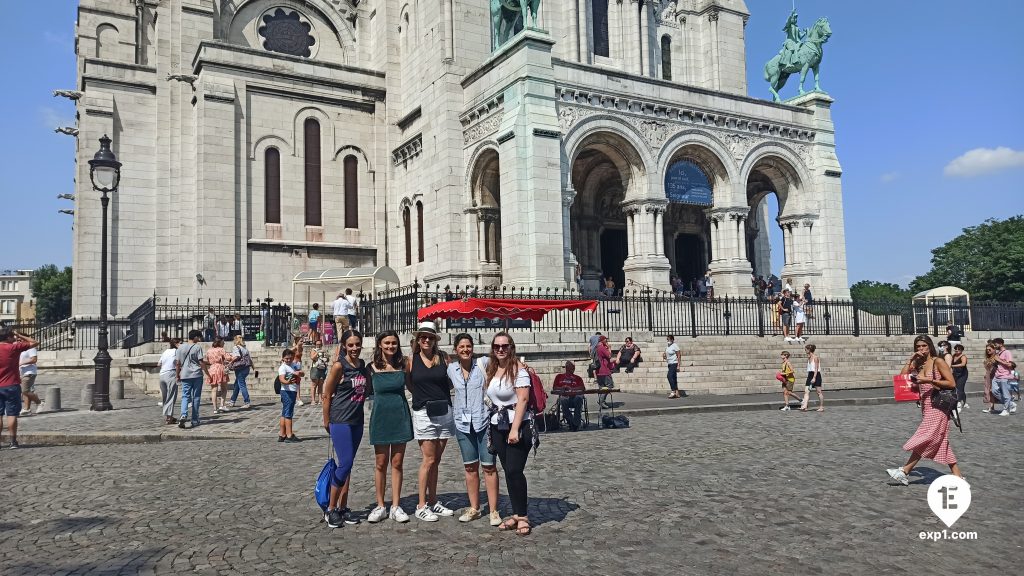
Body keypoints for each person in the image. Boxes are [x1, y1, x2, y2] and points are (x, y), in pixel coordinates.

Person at [887, 335, 963, 485]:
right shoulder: (919, 364)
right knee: (941, 441)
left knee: (926, 437)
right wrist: (911, 360)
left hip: (939, 406)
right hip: (926, 406)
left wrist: (928, 380)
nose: (921, 349)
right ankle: (958, 477)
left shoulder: (938, 361)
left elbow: (951, 383)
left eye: (923, 346)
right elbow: (902, 377)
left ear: (929, 346)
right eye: (918, 347)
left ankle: (904, 471)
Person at [483, 332, 535, 535]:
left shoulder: (519, 370)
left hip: (518, 426)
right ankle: (515, 513)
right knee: (508, 471)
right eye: (497, 346)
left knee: (514, 470)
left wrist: (515, 429)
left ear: (511, 347)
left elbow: (522, 399)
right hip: (498, 425)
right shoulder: (492, 368)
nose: (501, 349)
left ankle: (522, 516)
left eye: (505, 346)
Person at [448, 333, 503, 525]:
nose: (465, 350)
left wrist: (523, 367)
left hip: (484, 421)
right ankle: (475, 508)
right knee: (470, 467)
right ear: (455, 350)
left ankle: (494, 510)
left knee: (489, 466)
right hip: (463, 425)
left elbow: (505, 362)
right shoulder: (451, 369)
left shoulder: (484, 363)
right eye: (461, 347)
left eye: (468, 346)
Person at [407, 321, 456, 521]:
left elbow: (452, 382)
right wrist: (422, 396)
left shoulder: (444, 358)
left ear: (435, 340)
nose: (426, 340)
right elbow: (409, 384)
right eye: (423, 337)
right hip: (423, 412)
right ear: (418, 340)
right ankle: (421, 505)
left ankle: (434, 501)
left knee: (436, 460)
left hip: (443, 410)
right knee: (428, 460)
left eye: (430, 337)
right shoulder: (411, 360)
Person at [322, 329, 370, 528]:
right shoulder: (338, 366)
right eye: (350, 345)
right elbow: (326, 394)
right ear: (344, 346)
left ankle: (343, 506)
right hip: (340, 419)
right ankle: (330, 509)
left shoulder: (362, 366)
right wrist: (327, 421)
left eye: (357, 344)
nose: (354, 348)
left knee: (347, 465)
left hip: (356, 419)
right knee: (345, 463)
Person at [365, 330, 414, 523]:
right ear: (379, 345)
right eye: (386, 343)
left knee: (397, 463)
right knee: (380, 463)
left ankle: (395, 505)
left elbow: (413, 387)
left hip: (400, 416)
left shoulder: (404, 365)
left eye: (393, 343)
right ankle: (380, 505)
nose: (390, 346)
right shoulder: (371, 368)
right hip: (380, 417)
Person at [1, 328, 39, 449]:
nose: (14, 338)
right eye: (12, 336)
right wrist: (20, 335)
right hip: (11, 385)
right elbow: (34, 342)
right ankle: (13, 441)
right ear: (8, 338)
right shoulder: (13, 348)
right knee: (12, 414)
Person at [176, 330, 206, 429]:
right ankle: (194, 419)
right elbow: (201, 362)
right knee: (196, 397)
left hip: (185, 374)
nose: (199, 339)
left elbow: (178, 363)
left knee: (185, 396)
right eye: (199, 337)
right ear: (195, 337)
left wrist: (177, 375)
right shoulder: (197, 347)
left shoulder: (180, 347)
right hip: (197, 374)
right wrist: (207, 373)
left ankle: (183, 414)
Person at [278, 345, 304, 442]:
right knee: (288, 413)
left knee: (284, 413)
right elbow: (282, 379)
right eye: (286, 359)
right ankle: (289, 435)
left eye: (290, 358)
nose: (288, 360)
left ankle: (282, 434)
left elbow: (302, 372)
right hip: (287, 391)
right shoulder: (283, 367)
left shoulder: (293, 365)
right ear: (283, 359)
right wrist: (288, 382)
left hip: (292, 390)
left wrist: (299, 373)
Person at [552, 361, 586, 430]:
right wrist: (562, 388)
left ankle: (576, 424)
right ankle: (571, 422)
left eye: (573, 368)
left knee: (579, 398)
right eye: (571, 367)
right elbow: (554, 388)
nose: (573, 369)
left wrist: (572, 389)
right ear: (566, 368)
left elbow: (582, 388)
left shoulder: (578, 378)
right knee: (562, 399)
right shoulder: (559, 377)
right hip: (565, 396)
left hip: (575, 397)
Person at [991, 338, 1016, 416]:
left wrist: (999, 360)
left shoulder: (1007, 352)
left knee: (1005, 394)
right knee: (994, 391)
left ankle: (1006, 410)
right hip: (997, 376)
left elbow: (1010, 365)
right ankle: (1011, 404)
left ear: (1001, 344)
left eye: (995, 344)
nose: (994, 346)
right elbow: (998, 364)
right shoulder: (998, 353)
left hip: (1004, 376)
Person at [158, 338, 180, 424]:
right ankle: (169, 418)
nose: (181, 345)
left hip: (162, 375)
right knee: (171, 396)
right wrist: (177, 375)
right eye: (180, 343)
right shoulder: (176, 351)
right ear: (176, 344)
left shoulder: (165, 351)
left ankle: (168, 416)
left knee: (165, 397)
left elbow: (159, 363)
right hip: (171, 373)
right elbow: (178, 363)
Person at [205, 338, 230, 413]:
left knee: (214, 389)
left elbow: (208, 360)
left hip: (212, 368)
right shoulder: (221, 349)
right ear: (220, 342)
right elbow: (228, 358)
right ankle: (222, 405)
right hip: (220, 368)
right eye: (223, 342)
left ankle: (215, 408)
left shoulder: (209, 350)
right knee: (224, 388)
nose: (224, 343)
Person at [227, 335, 252, 409]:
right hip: (246, 367)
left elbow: (237, 356)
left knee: (241, 384)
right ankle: (232, 400)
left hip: (240, 368)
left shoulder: (236, 347)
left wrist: (230, 362)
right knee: (237, 384)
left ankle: (247, 402)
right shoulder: (244, 348)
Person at [799, 343, 823, 412]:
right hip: (810, 375)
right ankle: (804, 406)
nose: (805, 350)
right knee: (806, 391)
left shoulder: (815, 358)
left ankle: (821, 406)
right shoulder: (809, 357)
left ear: (809, 350)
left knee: (819, 392)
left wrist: (814, 377)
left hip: (816, 375)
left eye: (806, 349)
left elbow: (816, 368)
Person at [19, 343, 40, 415]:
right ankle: (27, 409)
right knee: (26, 391)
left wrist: (22, 363)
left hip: (29, 372)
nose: (18, 341)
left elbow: (34, 360)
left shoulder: (31, 348)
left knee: (25, 391)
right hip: (22, 372)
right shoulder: (20, 349)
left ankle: (39, 402)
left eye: (20, 340)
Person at [595, 334, 614, 409]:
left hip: (598, 370)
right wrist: (609, 348)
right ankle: (601, 401)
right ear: (603, 340)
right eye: (606, 339)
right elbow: (609, 356)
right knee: (609, 386)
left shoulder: (596, 348)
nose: (607, 341)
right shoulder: (602, 348)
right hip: (604, 370)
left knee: (602, 387)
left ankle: (602, 401)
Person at [308, 341, 329, 406]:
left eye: (320, 344)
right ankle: (313, 400)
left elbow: (327, 359)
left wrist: (326, 357)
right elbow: (312, 357)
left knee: (321, 384)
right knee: (314, 385)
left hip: (322, 368)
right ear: (315, 345)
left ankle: (320, 399)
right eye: (317, 344)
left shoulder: (323, 351)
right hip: (315, 368)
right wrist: (317, 352)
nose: (318, 345)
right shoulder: (313, 350)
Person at [950, 344, 968, 410]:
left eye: (958, 349)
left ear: (961, 350)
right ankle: (965, 402)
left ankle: (959, 402)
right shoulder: (954, 355)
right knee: (959, 388)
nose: (957, 350)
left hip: (962, 374)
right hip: (955, 373)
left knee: (960, 387)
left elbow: (963, 364)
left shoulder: (963, 356)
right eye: (956, 349)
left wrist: (952, 366)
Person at [981, 342, 997, 413]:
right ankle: (991, 407)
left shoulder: (996, 357)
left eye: (989, 349)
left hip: (995, 375)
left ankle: (1010, 403)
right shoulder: (988, 358)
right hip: (988, 376)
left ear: (994, 349)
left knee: (993, 391)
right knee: (988, 391)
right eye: (987, 350)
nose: (988, 351)